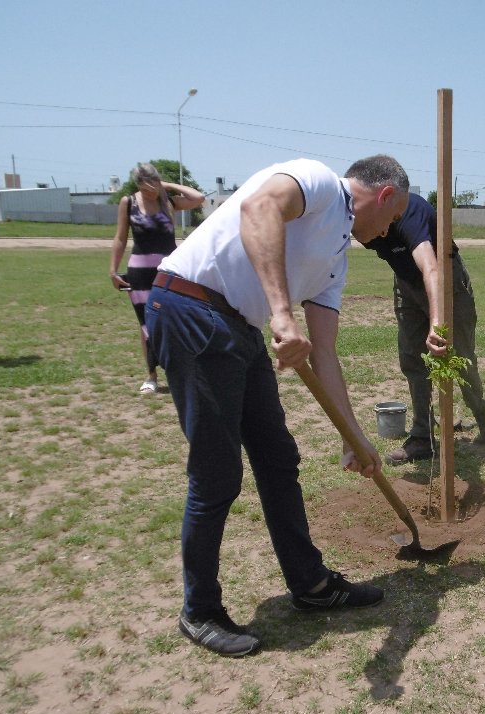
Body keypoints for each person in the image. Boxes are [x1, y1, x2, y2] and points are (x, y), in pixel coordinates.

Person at [147, 154, 409, 657]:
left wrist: (352, 438)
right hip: (190, 307)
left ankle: (310, 585)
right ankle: (198, 610)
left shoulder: (336, 261)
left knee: (277, 458)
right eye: (392, 220)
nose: (387, 232)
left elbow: (325, 353)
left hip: (238, 326)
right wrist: (283, 314)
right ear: (385, 196)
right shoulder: (317, 181)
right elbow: (258, 208)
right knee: (217, 473)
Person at [362, 192, 485, 464]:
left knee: (460, 357)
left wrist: (437, 323)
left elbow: (431, 267)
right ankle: (422, 436)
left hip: (446, 279)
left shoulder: (409, 214)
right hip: (406, 283)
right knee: (413, 359)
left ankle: (483, 418)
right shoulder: (360, 219)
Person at [109, 163, 204, 393]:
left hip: (169, 271)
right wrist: (113, 270)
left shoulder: (168, 202)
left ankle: (178, 372)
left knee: (174, 320)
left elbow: (198, 197)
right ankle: (151, 376)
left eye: (155, 184)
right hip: (140, 272)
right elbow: (121, 237)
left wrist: (167, 186)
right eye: (148, 186)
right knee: (146, 325)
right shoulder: (128, 203)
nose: (152, 190)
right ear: (139, 184)